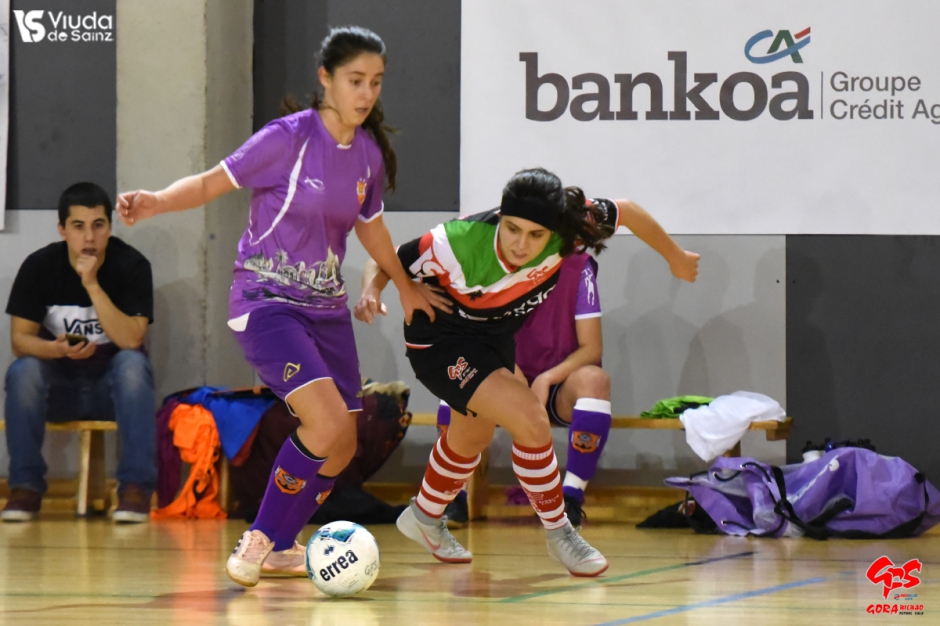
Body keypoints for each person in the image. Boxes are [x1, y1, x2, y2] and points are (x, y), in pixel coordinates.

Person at [116, 26, 435, 587]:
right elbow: (211, 183)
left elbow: (371, 227)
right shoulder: (286, 139)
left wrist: (403, 287)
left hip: (326, 311)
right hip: (266, 302)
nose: (366, 93)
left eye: (376, 82)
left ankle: (284, 545)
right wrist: (156, 201)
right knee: (324, 422)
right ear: (325, 78)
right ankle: (259, 539)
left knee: (343, 443)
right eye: (355, 80)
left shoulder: (367, 154)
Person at [356, 167, 699, 576]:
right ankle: (560, 533)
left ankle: (424, 515)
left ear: (554, 231)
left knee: (473, 436)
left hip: (494, 337)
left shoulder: (570, 227)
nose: (521, 244)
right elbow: (383, 260)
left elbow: (627, 211)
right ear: (501, 217)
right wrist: (384, 289)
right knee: (530, 419)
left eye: (536, 235)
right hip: (441, 341)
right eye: (512, 229)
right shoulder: (458, 241)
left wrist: (676, 257)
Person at [3, 182, 157, 524]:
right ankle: (25, 487)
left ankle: (135, 487)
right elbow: (20, 341)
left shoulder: (131, 265)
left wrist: (92, 284)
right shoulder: (40, 266)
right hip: (59, 388)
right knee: (22, 371)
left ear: (110, 227)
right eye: (78, 226)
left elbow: (132, 339)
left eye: (98, 225)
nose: (89, 237)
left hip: (110, 390)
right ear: (62, 230)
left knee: (133, 364)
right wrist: (54, 348)